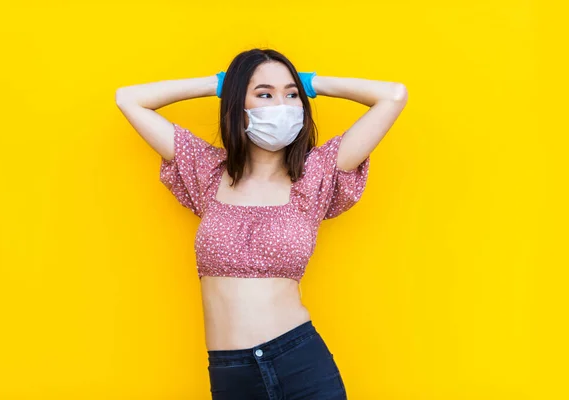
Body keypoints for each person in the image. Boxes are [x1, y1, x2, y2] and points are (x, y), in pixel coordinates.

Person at [115, 48, 407, 399]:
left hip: (300, 361)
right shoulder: (207, 172)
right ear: (239, 105)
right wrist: (222, 84)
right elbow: (129, 99)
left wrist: (309, 82)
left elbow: (393, 95)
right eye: (264, 94)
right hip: (231, 374)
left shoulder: (315, 175)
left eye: (291, 95)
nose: (281, 105)